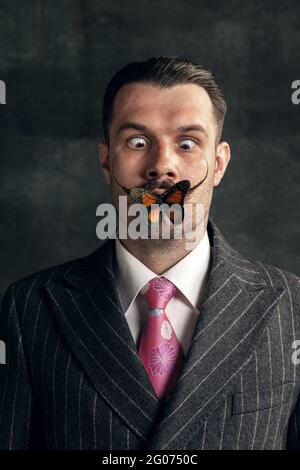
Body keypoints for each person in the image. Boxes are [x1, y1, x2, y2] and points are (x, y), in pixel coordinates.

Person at [0, 57, 299, 451]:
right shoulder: (30, 308)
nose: (162, 166)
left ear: (220, 163)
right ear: (107, 161)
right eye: (138, 142)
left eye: (187, 143)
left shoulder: (291, 307)